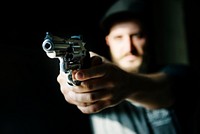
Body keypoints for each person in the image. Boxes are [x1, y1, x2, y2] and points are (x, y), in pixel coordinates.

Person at [57, 0, 192, 133]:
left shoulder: (179, 75)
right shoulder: (91, 79)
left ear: (148, 38)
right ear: (108, 41)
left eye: (136, 36)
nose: (129, 48)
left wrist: (127, 83)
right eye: (119, 37)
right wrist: (73, 86)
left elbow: (167, 89)